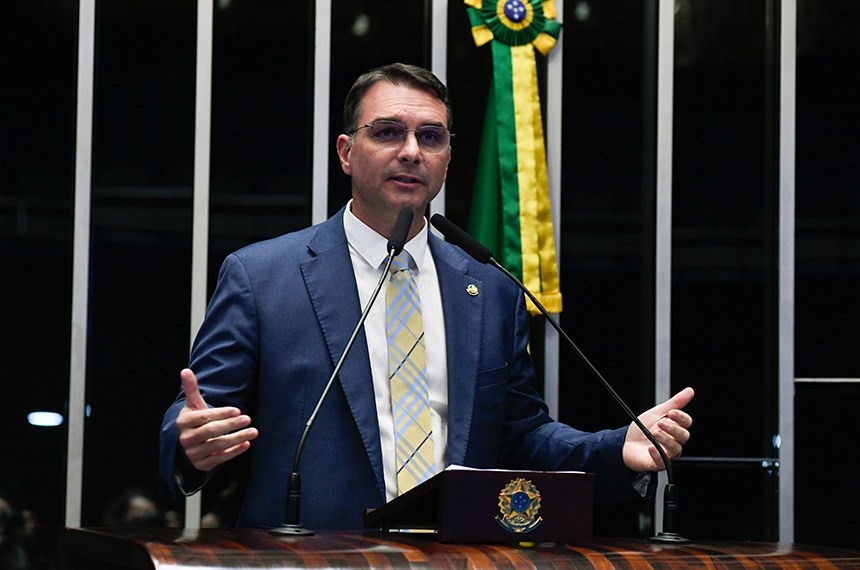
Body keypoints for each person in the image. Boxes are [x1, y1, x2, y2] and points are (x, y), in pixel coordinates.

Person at [160, 63, 694, 531]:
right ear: (347, 152)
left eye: (430, 137)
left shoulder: (488, 286)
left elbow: (520, 436)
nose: (411, 151)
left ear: (447, 157)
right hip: (311, 558)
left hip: (455, 556)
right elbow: (201, 416)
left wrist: (614, 448)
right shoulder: (262, 277)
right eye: (388, 132)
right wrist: (189, 445)